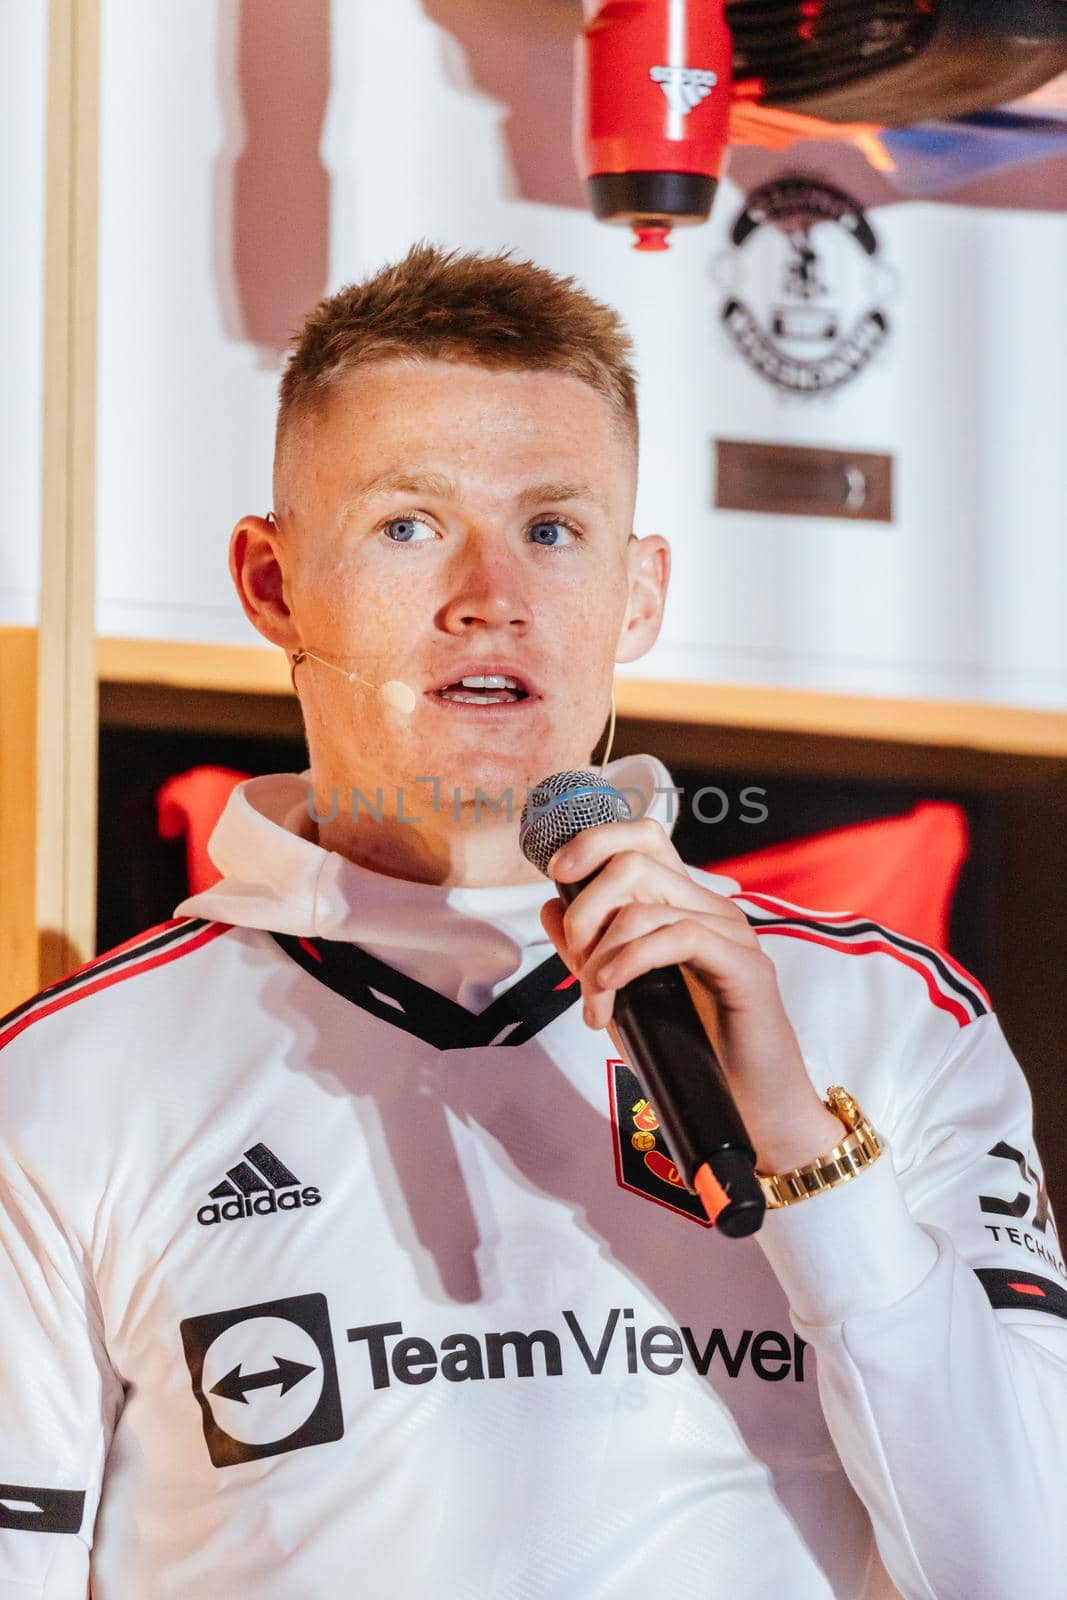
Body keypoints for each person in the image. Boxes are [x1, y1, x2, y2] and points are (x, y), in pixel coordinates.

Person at [1, 241, 1064, 1600]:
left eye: (554, 529)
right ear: (272, 586)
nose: (490, 598)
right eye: (409, 526)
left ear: (641, 592)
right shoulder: (72, 1074)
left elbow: (1029, 1569)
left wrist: (803, 1149)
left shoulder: (890, 1018)